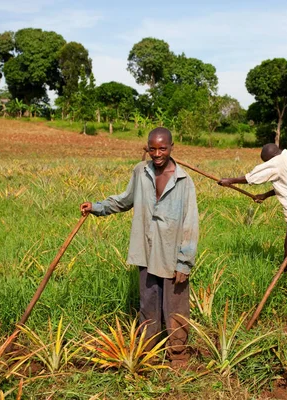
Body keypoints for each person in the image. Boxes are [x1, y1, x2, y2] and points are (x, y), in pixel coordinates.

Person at [80, 127, 199, 367]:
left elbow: (190, 223)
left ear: (171, 147)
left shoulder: (184, 181)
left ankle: (178, 354)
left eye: (162, 148)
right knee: (148, 304)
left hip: (171, 253)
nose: (157, 154)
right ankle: (150, 351)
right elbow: (125, 200)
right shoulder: (140, 171)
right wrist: (96, 207)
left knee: (175, 306)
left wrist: (184, 262)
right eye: (152, 148)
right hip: (145, 250)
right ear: (147, 147)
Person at [218, 143, 287, 285]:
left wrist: (230, 181)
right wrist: (265, 195)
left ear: (270, 159)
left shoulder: (277, 162)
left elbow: (253, 177)